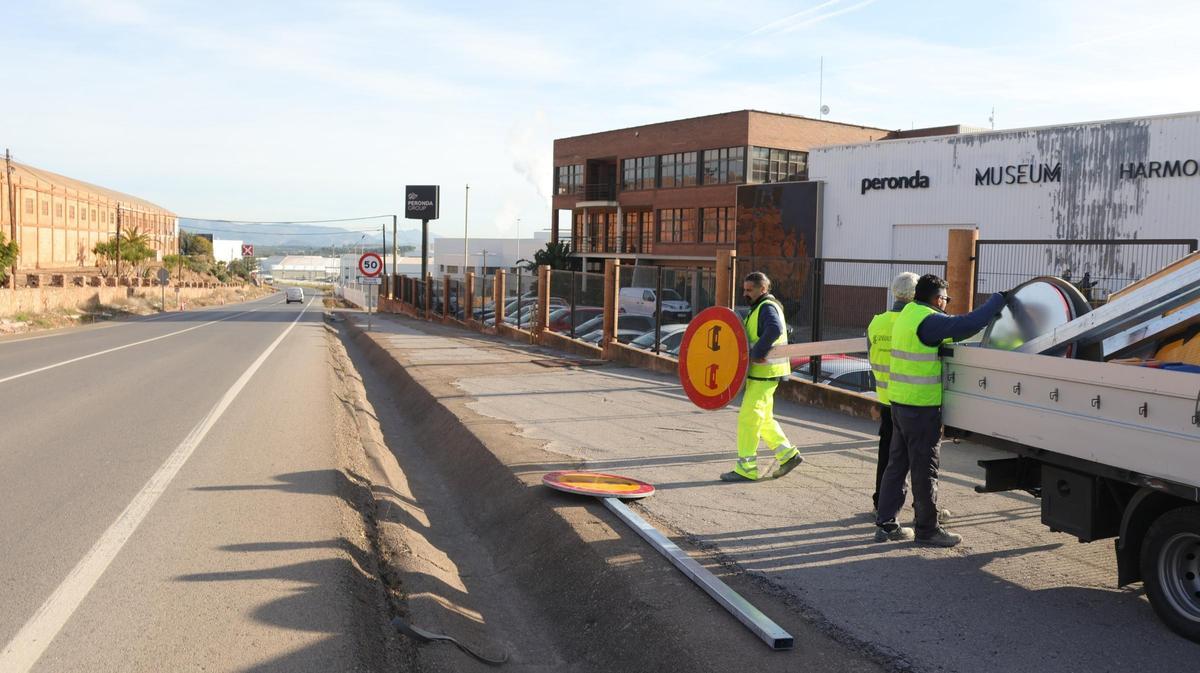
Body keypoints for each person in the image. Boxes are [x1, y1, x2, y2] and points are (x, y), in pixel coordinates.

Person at [874, 274, 1008, 546]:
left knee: (896, 466)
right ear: (937, 299)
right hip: (921, 408)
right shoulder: (928, 320)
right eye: (946, 299)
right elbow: (967, 325)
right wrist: (998, 300)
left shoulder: (908, 314)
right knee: (925, 470)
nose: (947, 303)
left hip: (899, 403)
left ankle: (886, 526)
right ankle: (927, 530)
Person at [721, 272, 802, 482]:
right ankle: (788, 455)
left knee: (748, 419)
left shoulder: (766, 307)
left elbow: (774, 329)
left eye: (750, 290)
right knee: (763, 419)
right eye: (744, 289)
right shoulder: (761, 307)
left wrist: (757, 353)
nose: (745, 293)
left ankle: (746, 468)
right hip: (765, 375)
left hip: (763, 374)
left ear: (763, 289)